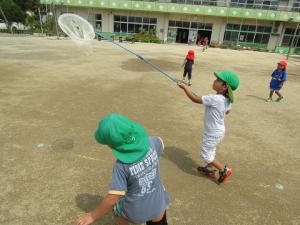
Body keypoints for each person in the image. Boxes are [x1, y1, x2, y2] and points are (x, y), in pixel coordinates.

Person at [75, 114, 170, 225]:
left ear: (111, 146)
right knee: (158, 214)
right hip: (159, 203)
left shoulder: (121, 166)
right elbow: (161, 142)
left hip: (136, 212)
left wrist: (92, 215)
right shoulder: (152, 142)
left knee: (116, 208)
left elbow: (114, 197)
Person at [178, 70, 239, 183]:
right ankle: (210, 169)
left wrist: (185, 88)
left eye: (217, 80)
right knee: (211, 150)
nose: (214, 81)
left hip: (212, 132)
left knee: (205, 153)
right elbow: (227, 112)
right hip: (219, 131)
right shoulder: (226, 100)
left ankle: (224, 170)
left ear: (224, 87)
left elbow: (194, 99)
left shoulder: (214, 99)